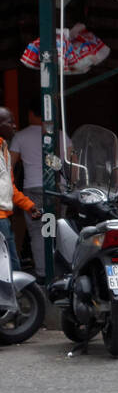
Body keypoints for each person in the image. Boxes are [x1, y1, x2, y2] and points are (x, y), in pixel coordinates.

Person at [10, 106, 64, 276]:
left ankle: (43, 273)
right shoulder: (60, 134)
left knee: (37, 232)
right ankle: (59, 272)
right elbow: (73, 159)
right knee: (58, 230)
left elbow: (9, 165)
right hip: (58, 188)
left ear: (32, 113)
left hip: (33, 188)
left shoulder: (21, 136)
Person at [0, 108, 39, 272]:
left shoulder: (4, 149)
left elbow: (9, 186)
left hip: (4, 219)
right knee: (11, 267)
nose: (15, 126)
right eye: (10, 122)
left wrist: (29, 205)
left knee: (11, 266)